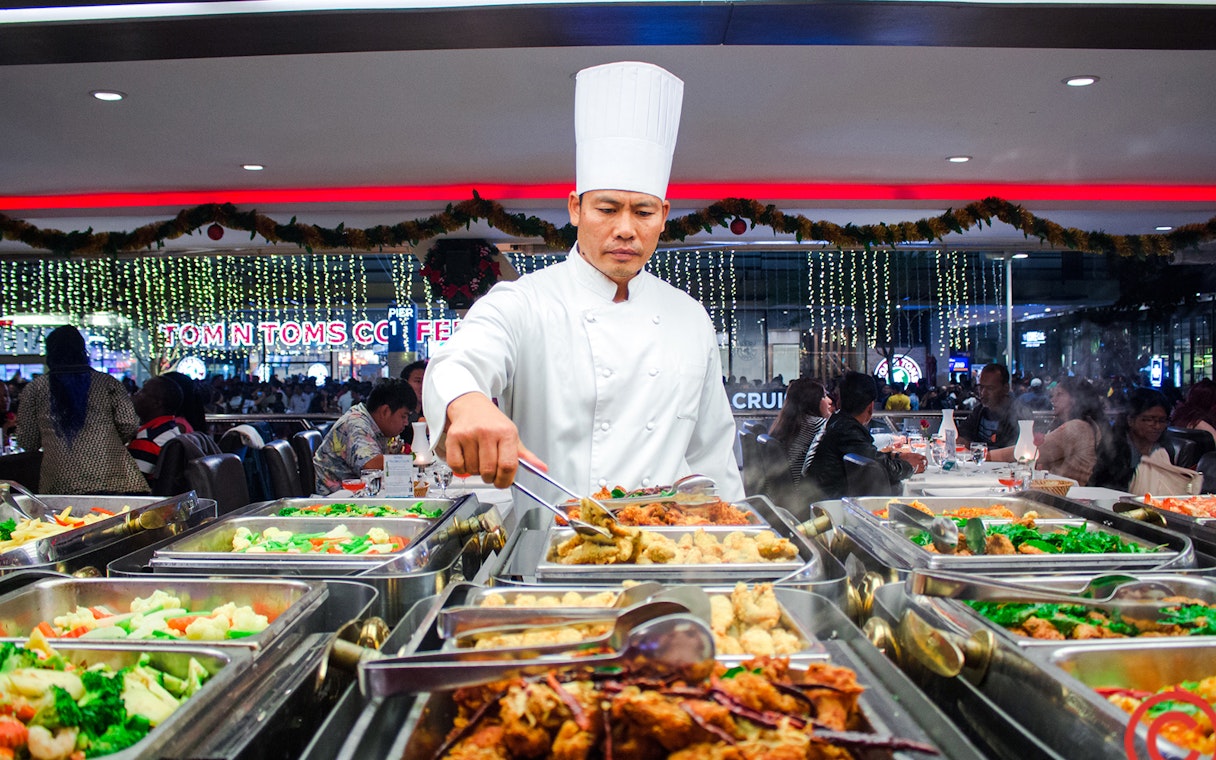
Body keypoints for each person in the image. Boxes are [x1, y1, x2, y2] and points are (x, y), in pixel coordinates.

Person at [423, 61, 744, 500]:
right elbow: (457, 362)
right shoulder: (524, 302)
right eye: (608, 209)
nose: (626, 229)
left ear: (664, 216)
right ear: (575, 208)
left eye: (644, 212)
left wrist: (734, 547)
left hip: (666, 554)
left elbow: (713, 456)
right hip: (546, 552)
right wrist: (468, 401)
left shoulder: (689, 317)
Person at [15, 325, 149, 494]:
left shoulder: (34, 389)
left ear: (50, 354)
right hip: (116, 477)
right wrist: (104, 440)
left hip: (61, 482)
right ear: (83, 351)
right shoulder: (108, 383)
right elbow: (129, 423)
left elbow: (28, 441)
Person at [804, 372, 925, 499]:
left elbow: (869, 455)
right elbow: (884, 470)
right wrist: (912, 467)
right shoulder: (847, 430)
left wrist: (896, 455)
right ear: (870, 407)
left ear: (839, 401)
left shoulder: (837, 423)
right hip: (832, 506)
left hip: (822, 499)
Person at [989, 377, 1106, 484]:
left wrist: (985, 455)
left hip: (1069, 497)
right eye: (1053, 395)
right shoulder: (1081, 424)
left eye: (1059, 394)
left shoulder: (1077, 427)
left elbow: (1032, 452)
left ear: (1075, 399)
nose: (1053, 399)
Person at [312, 379, 415, 494]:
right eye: (403, 416)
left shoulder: (376, 425)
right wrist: (411, 460)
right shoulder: (356, 423)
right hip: (335, 500)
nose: (406, 423)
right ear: (385, 411)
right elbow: (370, 465)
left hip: (359, 494)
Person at [1091, 387, 1197, 493]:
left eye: (1162, 420)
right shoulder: (1114, 446)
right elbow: (1104, 484)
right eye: (1150, 420)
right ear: (1131, 420)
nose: (1157, 426)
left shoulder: (1164, 448)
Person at [768, 378, 833, 485]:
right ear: (813, 401)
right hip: (804, 494)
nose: (829, 401)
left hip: (785, 493)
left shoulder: (785, 425)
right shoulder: (818, 426)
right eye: (824, 396)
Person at [127, 376, 186, 487]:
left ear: (156, 403)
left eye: (142, 392)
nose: (135, 395)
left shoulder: (147, 440)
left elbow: (129, 487)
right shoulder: (171, 428)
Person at [958, 363, 1031, 449]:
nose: (983, 393)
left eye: (990, 388)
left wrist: (975, 449)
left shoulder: (1019, 414)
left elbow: (1015, 450)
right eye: (981, 387)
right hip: (982, 460)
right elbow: (961, 434)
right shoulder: (980, 411)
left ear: (1005, 389)